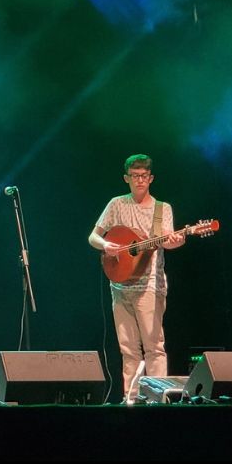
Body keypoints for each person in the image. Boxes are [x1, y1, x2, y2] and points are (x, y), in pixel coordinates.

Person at [89, 154, 184, 401]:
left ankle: (157, 399)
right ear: (126, 178)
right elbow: (93, 236)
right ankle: (130, 399)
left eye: (144, 176)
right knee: (128, 350)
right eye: (135, 176)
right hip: (120, 285)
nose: (139, 180)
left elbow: (167, 241)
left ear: (151, 178)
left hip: (150, 285)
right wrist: (106, 245)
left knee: (154, 347)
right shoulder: (116, 204)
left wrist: (177, 241)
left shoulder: (162, 209)